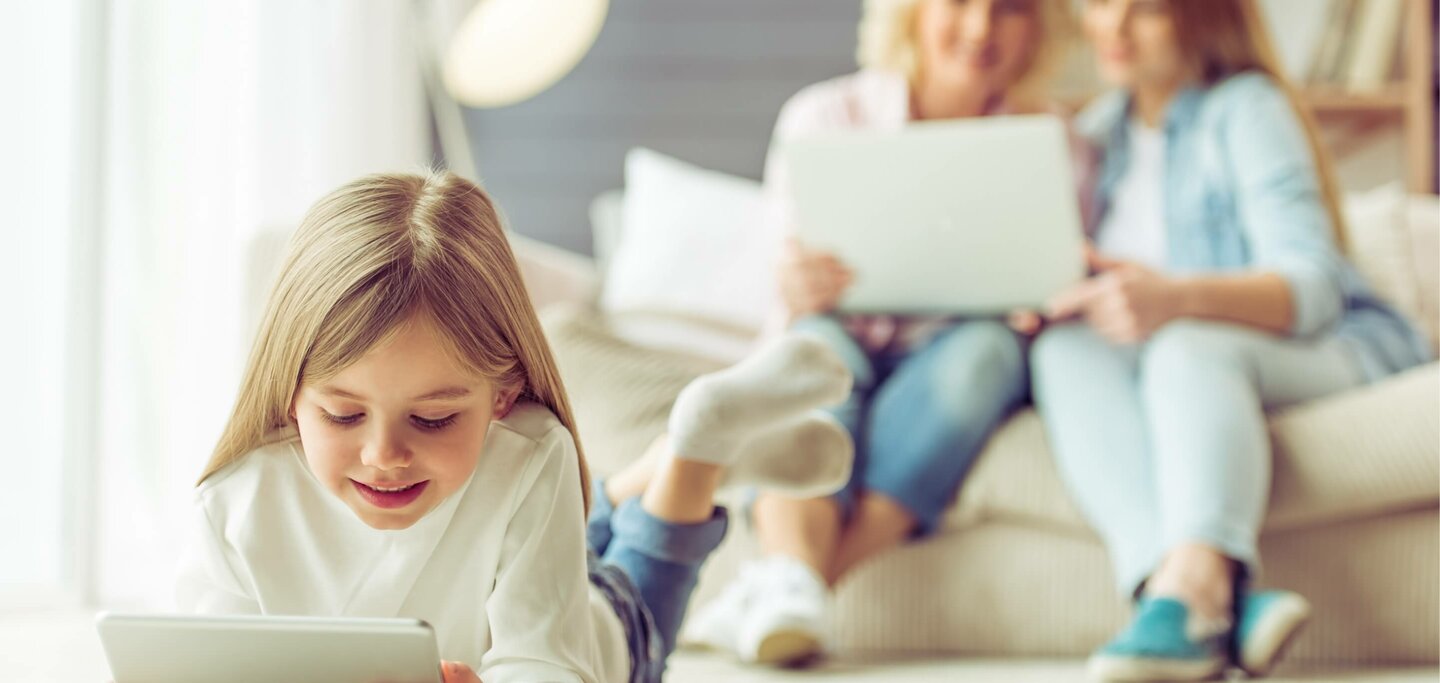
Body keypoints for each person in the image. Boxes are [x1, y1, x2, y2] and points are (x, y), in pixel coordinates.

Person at [177, 171, 857, 683]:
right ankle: (660, 460)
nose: (384, 455)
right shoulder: (237, 498)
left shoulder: (532, 454)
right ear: (290, 391)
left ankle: (696, 451)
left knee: (632, 606)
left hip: (588, 630)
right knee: (559, 521)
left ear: (502, 395)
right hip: (531, 542)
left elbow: (547, 664)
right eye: (342, 414)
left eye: (434, 417)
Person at [1028, 1, 1434, 680]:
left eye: (1145, 10)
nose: (1115, 28)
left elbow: (1311, 290)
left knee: (1186, 342)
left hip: (1330, 347)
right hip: (1172, 368)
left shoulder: (1246, 109)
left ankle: (1188, 597)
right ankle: (1190, 594)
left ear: (1199, 16)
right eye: (1101, 2)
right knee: (1061, 351)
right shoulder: (1100, 134)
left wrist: (1173, 295)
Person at [684, 0, 1085, 667]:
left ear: (1037, 28)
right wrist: (794, 277)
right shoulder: (824, 116)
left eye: (1009, 8)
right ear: (914, 14)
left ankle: (787, 583)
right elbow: (775, 268)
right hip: (838, 325)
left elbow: (1066, 274)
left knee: (987, 356)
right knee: (808, 360)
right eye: (959, 4)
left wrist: (1045, 302)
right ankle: (793, 581)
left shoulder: (1056, 140)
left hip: (962, 345)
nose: (981, 28)